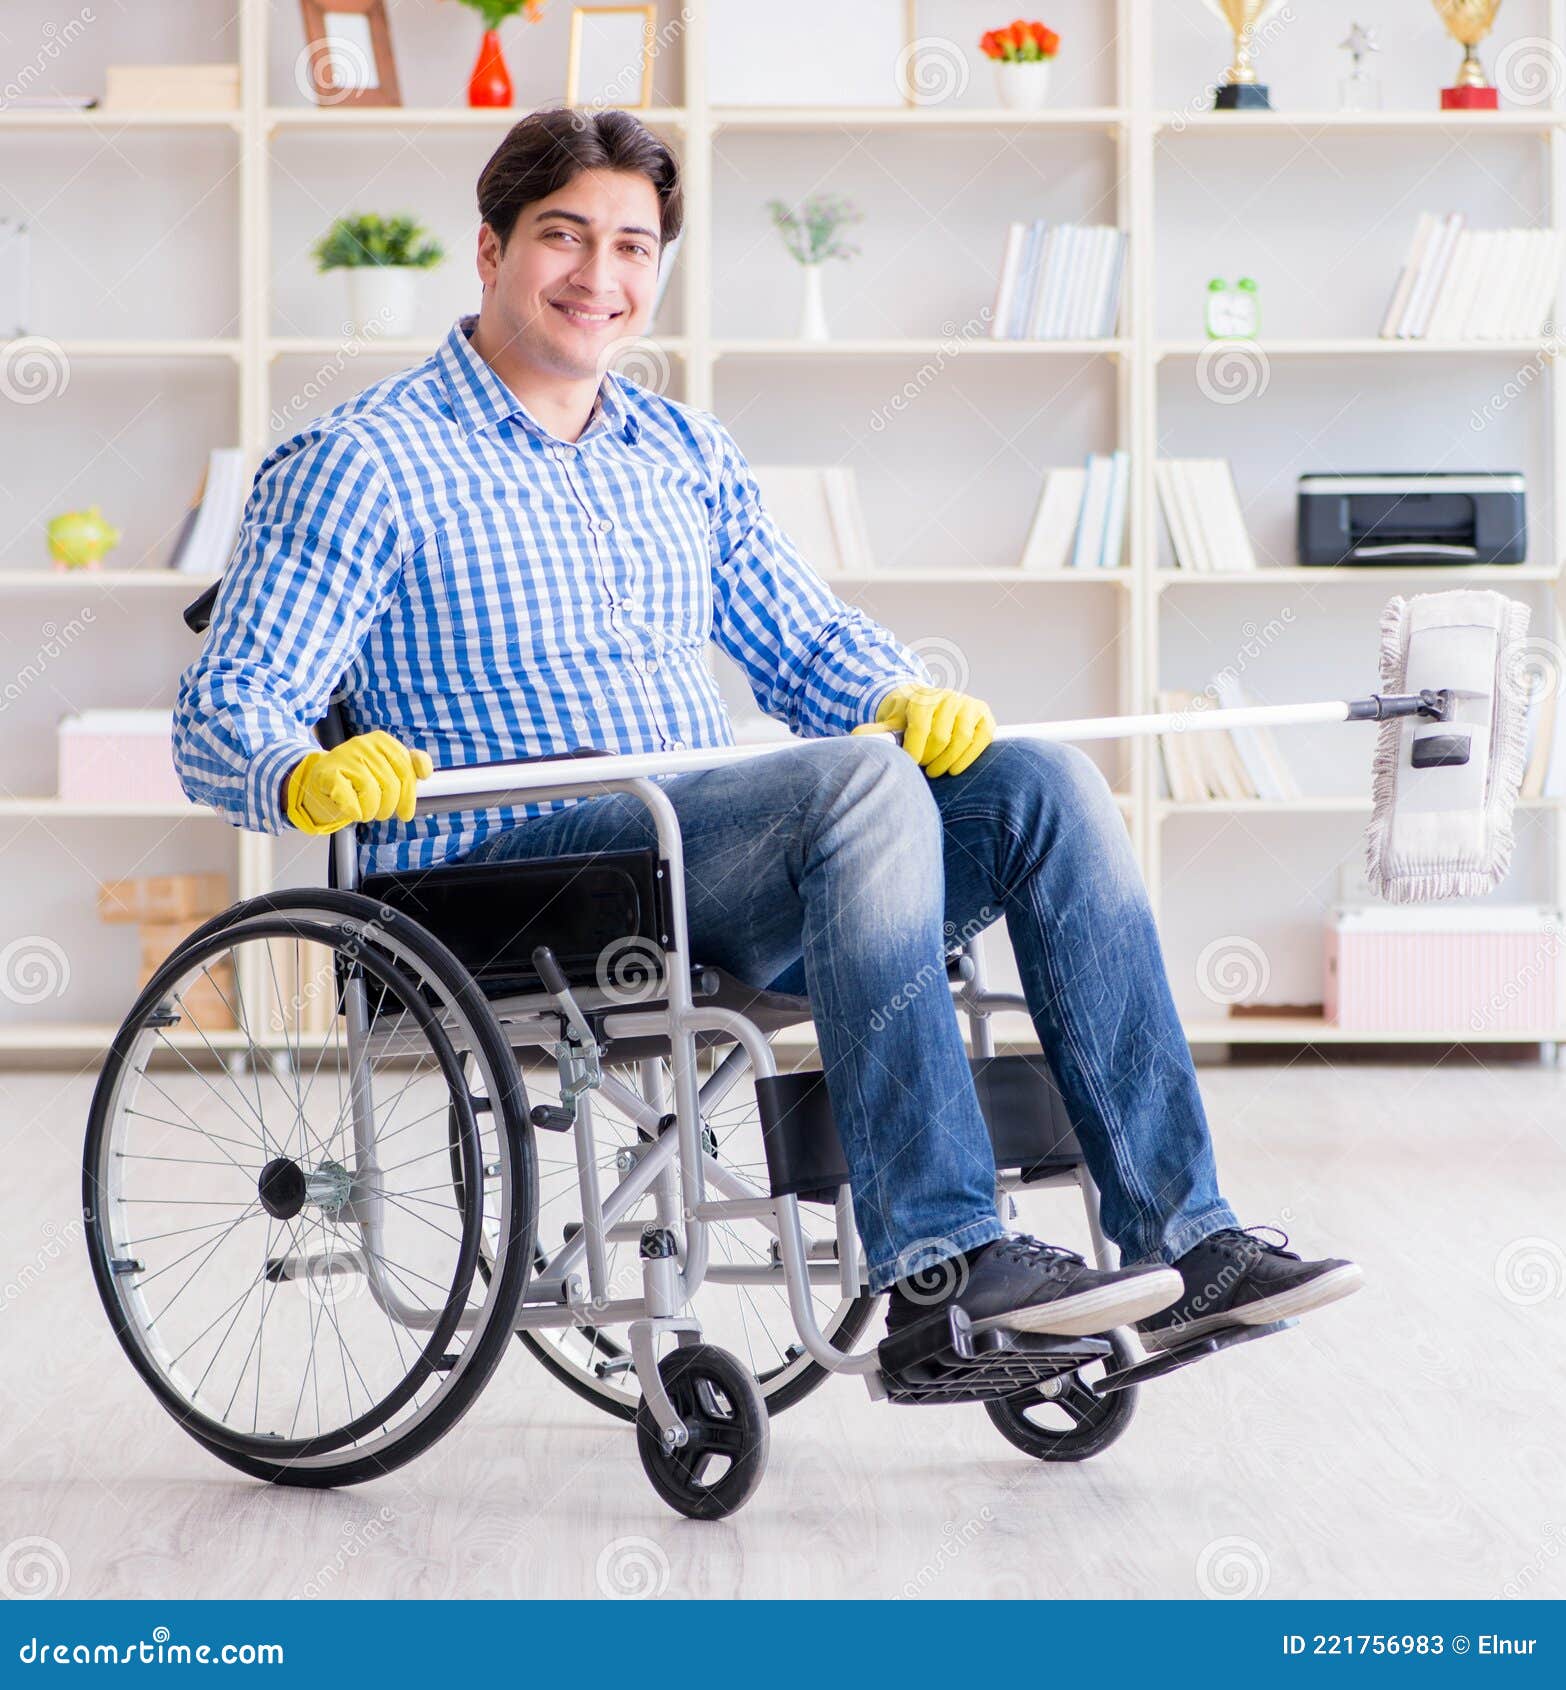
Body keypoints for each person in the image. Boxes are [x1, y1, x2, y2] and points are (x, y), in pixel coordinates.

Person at [173, 105, 1363, 1352]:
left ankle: (1186, 1234)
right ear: (489, 248)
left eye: (634, 248)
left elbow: (805, 645)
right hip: (522, 879)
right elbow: (226, 709)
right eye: (563, 238)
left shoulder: (681, 451)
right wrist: (302, 772)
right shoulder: (364, 462)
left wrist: (900, 692)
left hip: (718, 859)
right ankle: (944, 1260)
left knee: (1040, 782)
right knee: (854, 785)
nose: (600, 276)